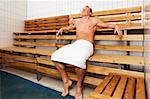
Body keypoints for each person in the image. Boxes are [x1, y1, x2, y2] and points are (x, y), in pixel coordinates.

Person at [51, 5, 123, 99]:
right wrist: (62, 29)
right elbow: (70, 27)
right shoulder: (77, 21)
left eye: (86, 9)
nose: (83, 10)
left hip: (87, 45)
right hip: (76, 44)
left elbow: (107, 25)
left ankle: (79, 86)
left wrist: (116, 26)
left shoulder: (94, 20)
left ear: (90, 13)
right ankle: (66, 81)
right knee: (55, 56)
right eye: (83, 9)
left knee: (79, 61)